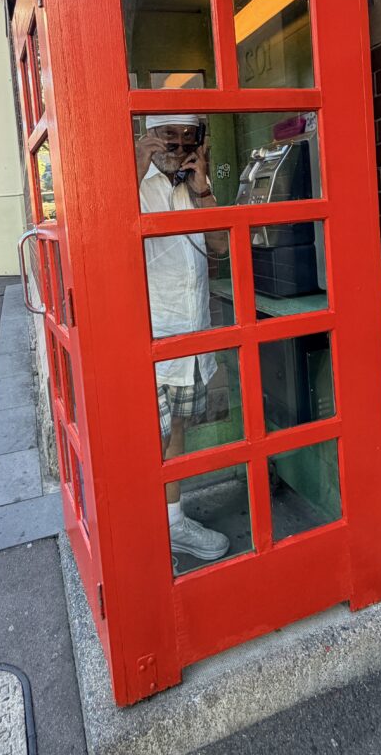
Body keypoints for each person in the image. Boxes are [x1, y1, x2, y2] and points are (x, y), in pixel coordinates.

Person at [136, 114, 230, 563]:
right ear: (150, 137)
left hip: (190, 332)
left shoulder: (194, 186)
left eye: (187, 137)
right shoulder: (135, 185)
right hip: (147, 333)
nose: (177, 147)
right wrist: (134, 167)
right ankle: (142, 534)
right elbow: (101, 233)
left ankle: (172, 522)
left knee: (174, 428)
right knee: (145, 435)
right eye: (167, 136)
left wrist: (203, 186)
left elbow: (221, 247)